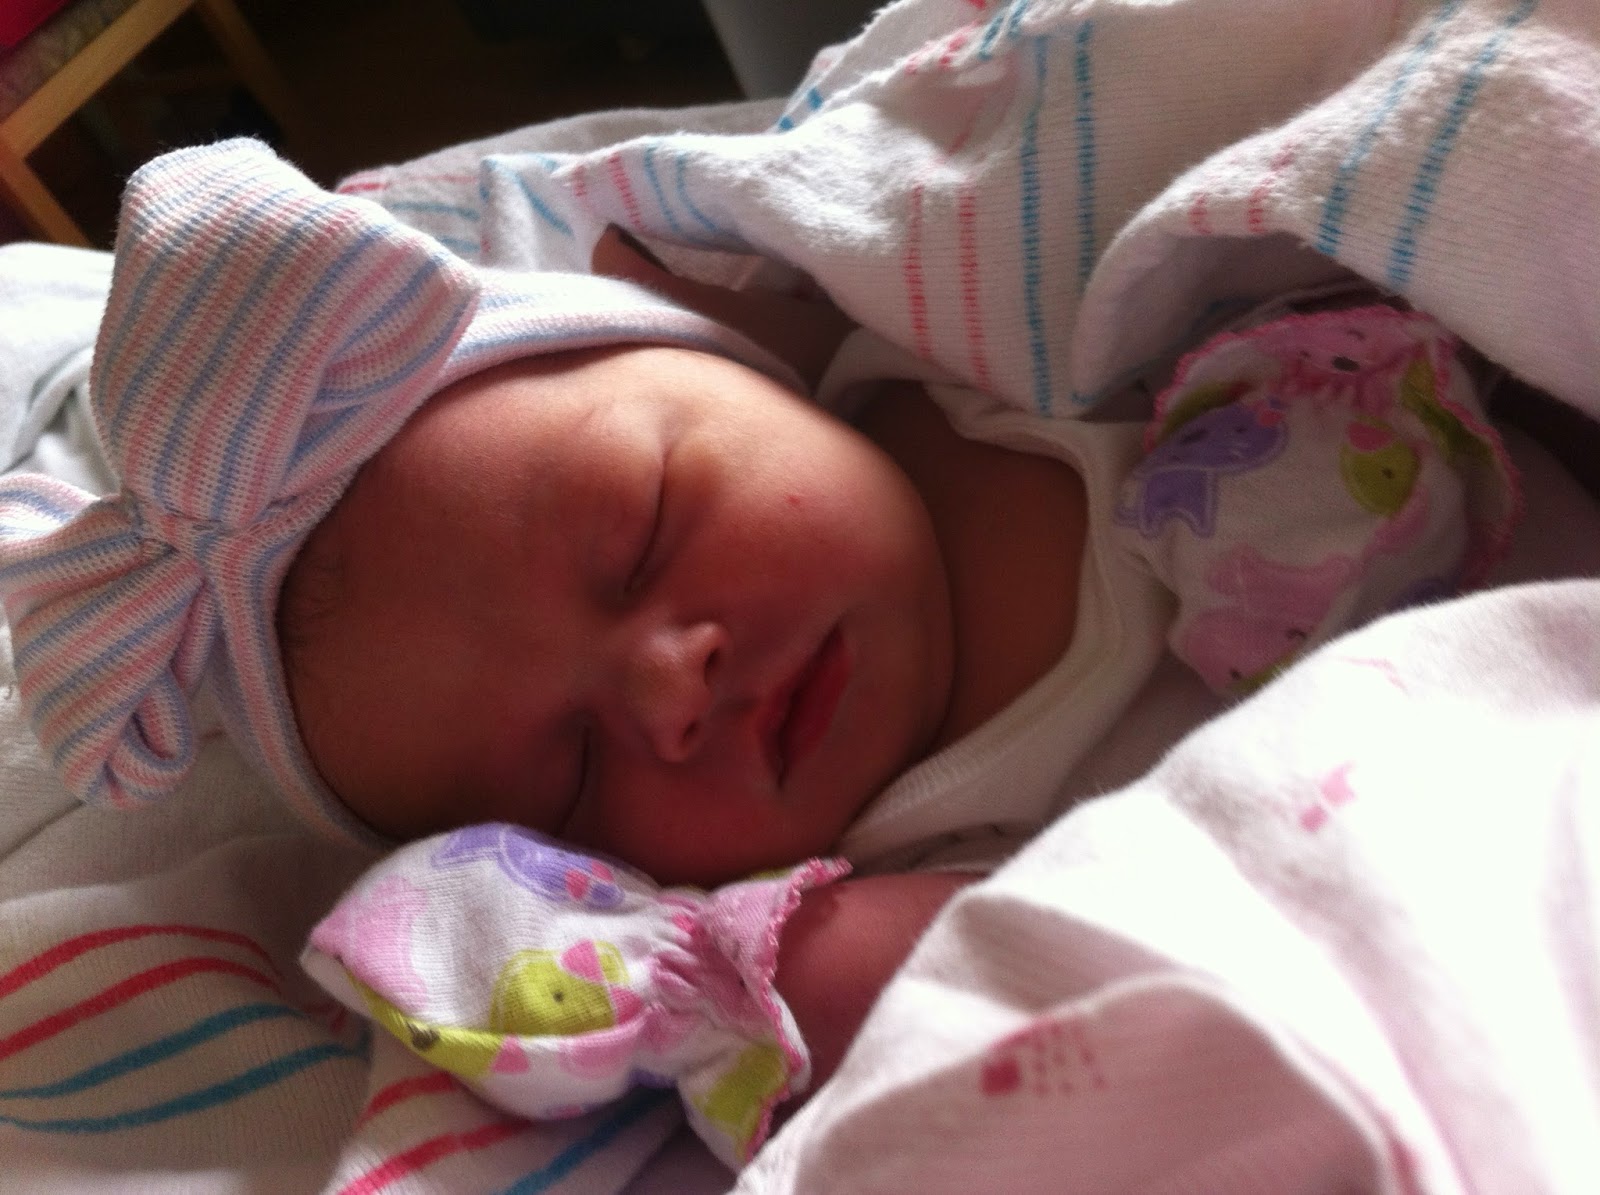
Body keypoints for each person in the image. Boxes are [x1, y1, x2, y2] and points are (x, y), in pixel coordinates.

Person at [0, 134, 1518, 1167]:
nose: (670, 688)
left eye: (645, 533)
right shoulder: (874, 870)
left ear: (729, 352)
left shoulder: (964, 360)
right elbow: (1054, 986)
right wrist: (753, 967)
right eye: (571, 773)